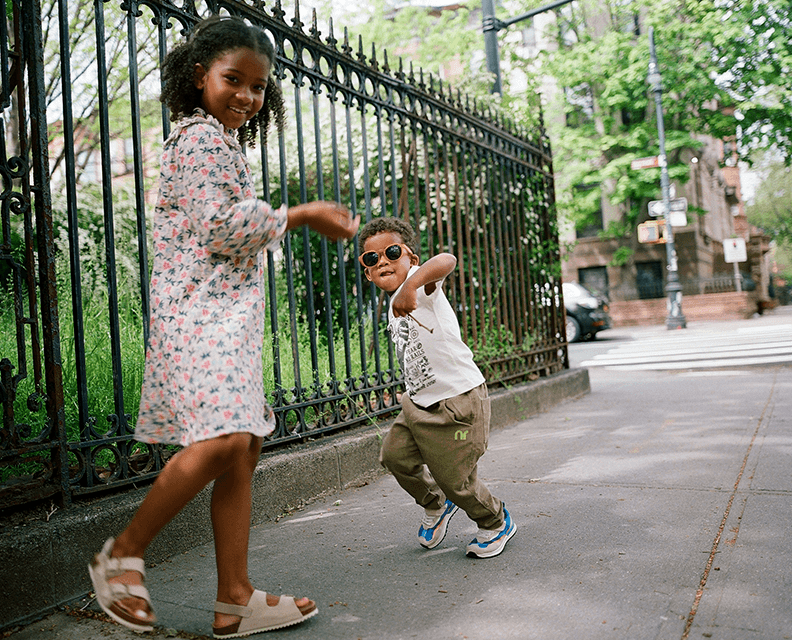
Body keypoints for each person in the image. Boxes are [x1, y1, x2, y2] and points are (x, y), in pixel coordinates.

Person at [85, 16, 359, 639]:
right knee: (228, 439)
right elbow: (220, 226)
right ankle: (122, 555)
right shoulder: (198, 139)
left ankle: (235, 598)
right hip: (200, 317)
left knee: (246, 446)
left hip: (223, 316)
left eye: (259, 87)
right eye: (233, 79)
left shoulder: (221, 142)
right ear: (197, 76)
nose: (247, 96)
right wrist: (302, 213)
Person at [358, 217, 517, 559]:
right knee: (394, 456)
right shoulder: (392, 303)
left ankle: (495, 521)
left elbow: (446, 260)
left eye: (392, 252)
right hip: (418, 405)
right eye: (371, 259)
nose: (382, 260)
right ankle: (436, 504)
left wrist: (413, 285)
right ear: (367, 271)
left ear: (411, 258)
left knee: (455, 478)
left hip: (458, 402)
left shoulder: (424, 288)